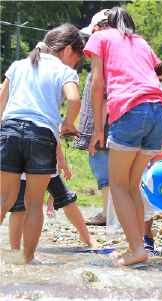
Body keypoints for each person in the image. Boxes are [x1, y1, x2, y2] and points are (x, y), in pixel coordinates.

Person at [85, 7, 162, 266]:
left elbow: (98, 84)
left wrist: (99, 128)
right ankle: (138, 246)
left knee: (117, 184)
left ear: (101, 26)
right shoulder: (140, 41)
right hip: (158, 110)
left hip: (131, 110)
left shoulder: (100, 37)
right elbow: (157, 73)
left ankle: (136, 249)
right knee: (132, 185)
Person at [0, 23, 84, 264]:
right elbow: (74, 99)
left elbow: (1, 101)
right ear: (68, 49)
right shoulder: (65, 72)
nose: (76, 64)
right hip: (41, 134)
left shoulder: (17, 65)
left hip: (10, 130)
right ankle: (28, 259)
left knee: (4, 199)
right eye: (77, 58)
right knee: (34, 202)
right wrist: (68, 123)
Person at [8, 144, 101, 250]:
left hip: (46, 163)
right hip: (20, 166)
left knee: (67, 200)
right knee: (18, 209)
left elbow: (55, 135)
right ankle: (14, 248)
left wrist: (61, 159)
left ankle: (86, 237)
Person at [73, 9, 110, 226]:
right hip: (106, 128)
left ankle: (107, 213)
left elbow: (103, 98)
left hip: (102, 130)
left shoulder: (102, 65)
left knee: (103, 170)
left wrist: (98, 131)